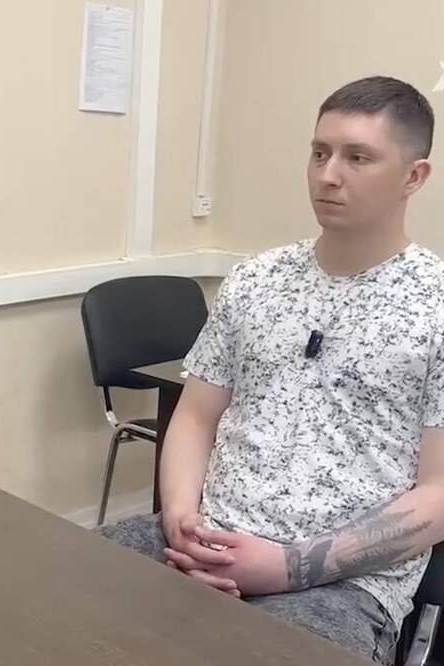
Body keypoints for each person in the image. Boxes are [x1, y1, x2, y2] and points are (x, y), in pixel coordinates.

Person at [101, 75, 443, 664]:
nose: (328, 175)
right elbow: (195, 417)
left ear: (414, 177)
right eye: (319, 153)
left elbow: (439, 492)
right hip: (202, 539)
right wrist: (181, 519)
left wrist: (286, 567)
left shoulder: (434, 305)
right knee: (43, 592)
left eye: (358, 157)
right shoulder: (255, 281)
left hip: (338, 586)